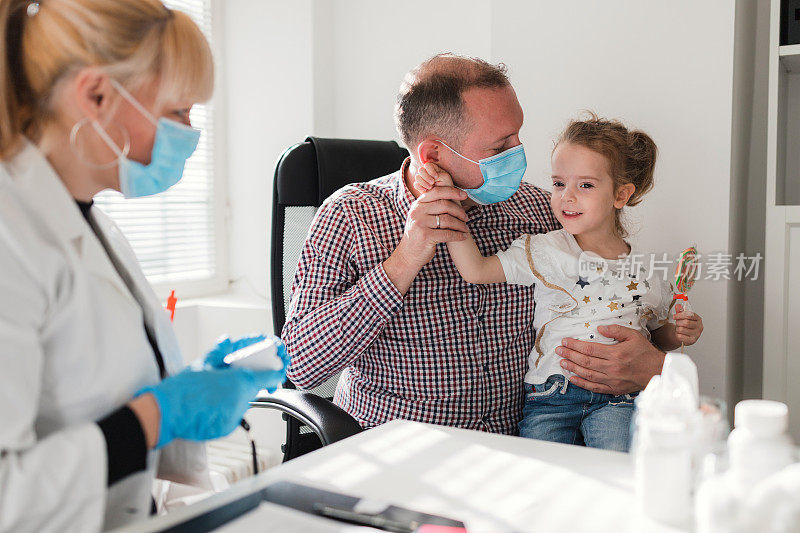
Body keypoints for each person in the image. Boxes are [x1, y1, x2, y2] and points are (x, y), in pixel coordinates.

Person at [0, 1, 286, 530]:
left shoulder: (92, 225)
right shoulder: (11, 234)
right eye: (179, 112)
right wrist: (160, 414)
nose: (190, 134)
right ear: (96, 95)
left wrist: (191, 382)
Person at [283, 54, 668, 433]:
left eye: (519, 136)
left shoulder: (541, 210)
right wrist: (405, 258)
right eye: (500, 148)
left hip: (519, 445)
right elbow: (302, 366)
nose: (520, 154)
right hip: (399, 449)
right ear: (433, 154)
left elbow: (610, 303)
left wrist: (654, 363)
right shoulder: (351, 215)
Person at [415, 112, 704, 451]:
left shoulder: (647, 270)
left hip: (619, 401)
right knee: (543, 480)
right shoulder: (546, 249)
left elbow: (656, 337)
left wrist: (680, 331)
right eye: (558, 183)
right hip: (551, 396)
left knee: (616, 475)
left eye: (585, 185)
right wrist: (446, 203)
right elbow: (475, 270)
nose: (566, 197)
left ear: (621, 195)